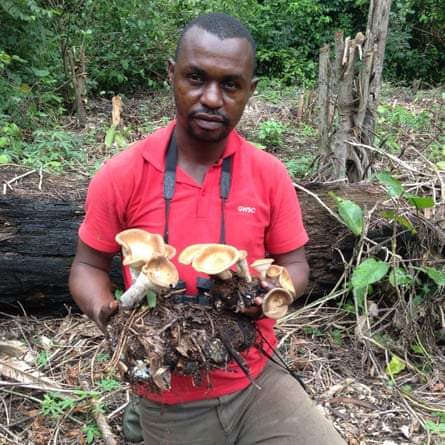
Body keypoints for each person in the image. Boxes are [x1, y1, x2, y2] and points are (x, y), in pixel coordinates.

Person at [69, 12, 346, 445]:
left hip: (256, 374)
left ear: (249, 92)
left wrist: (272, 293)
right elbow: (86, 266)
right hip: (170, 389)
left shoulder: (269, 174)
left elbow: (296, 265)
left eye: (230, 84)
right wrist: (108, 312)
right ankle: (142, 414)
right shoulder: (121, 174)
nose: (212, 98)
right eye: (196, 78)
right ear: (172, 76)